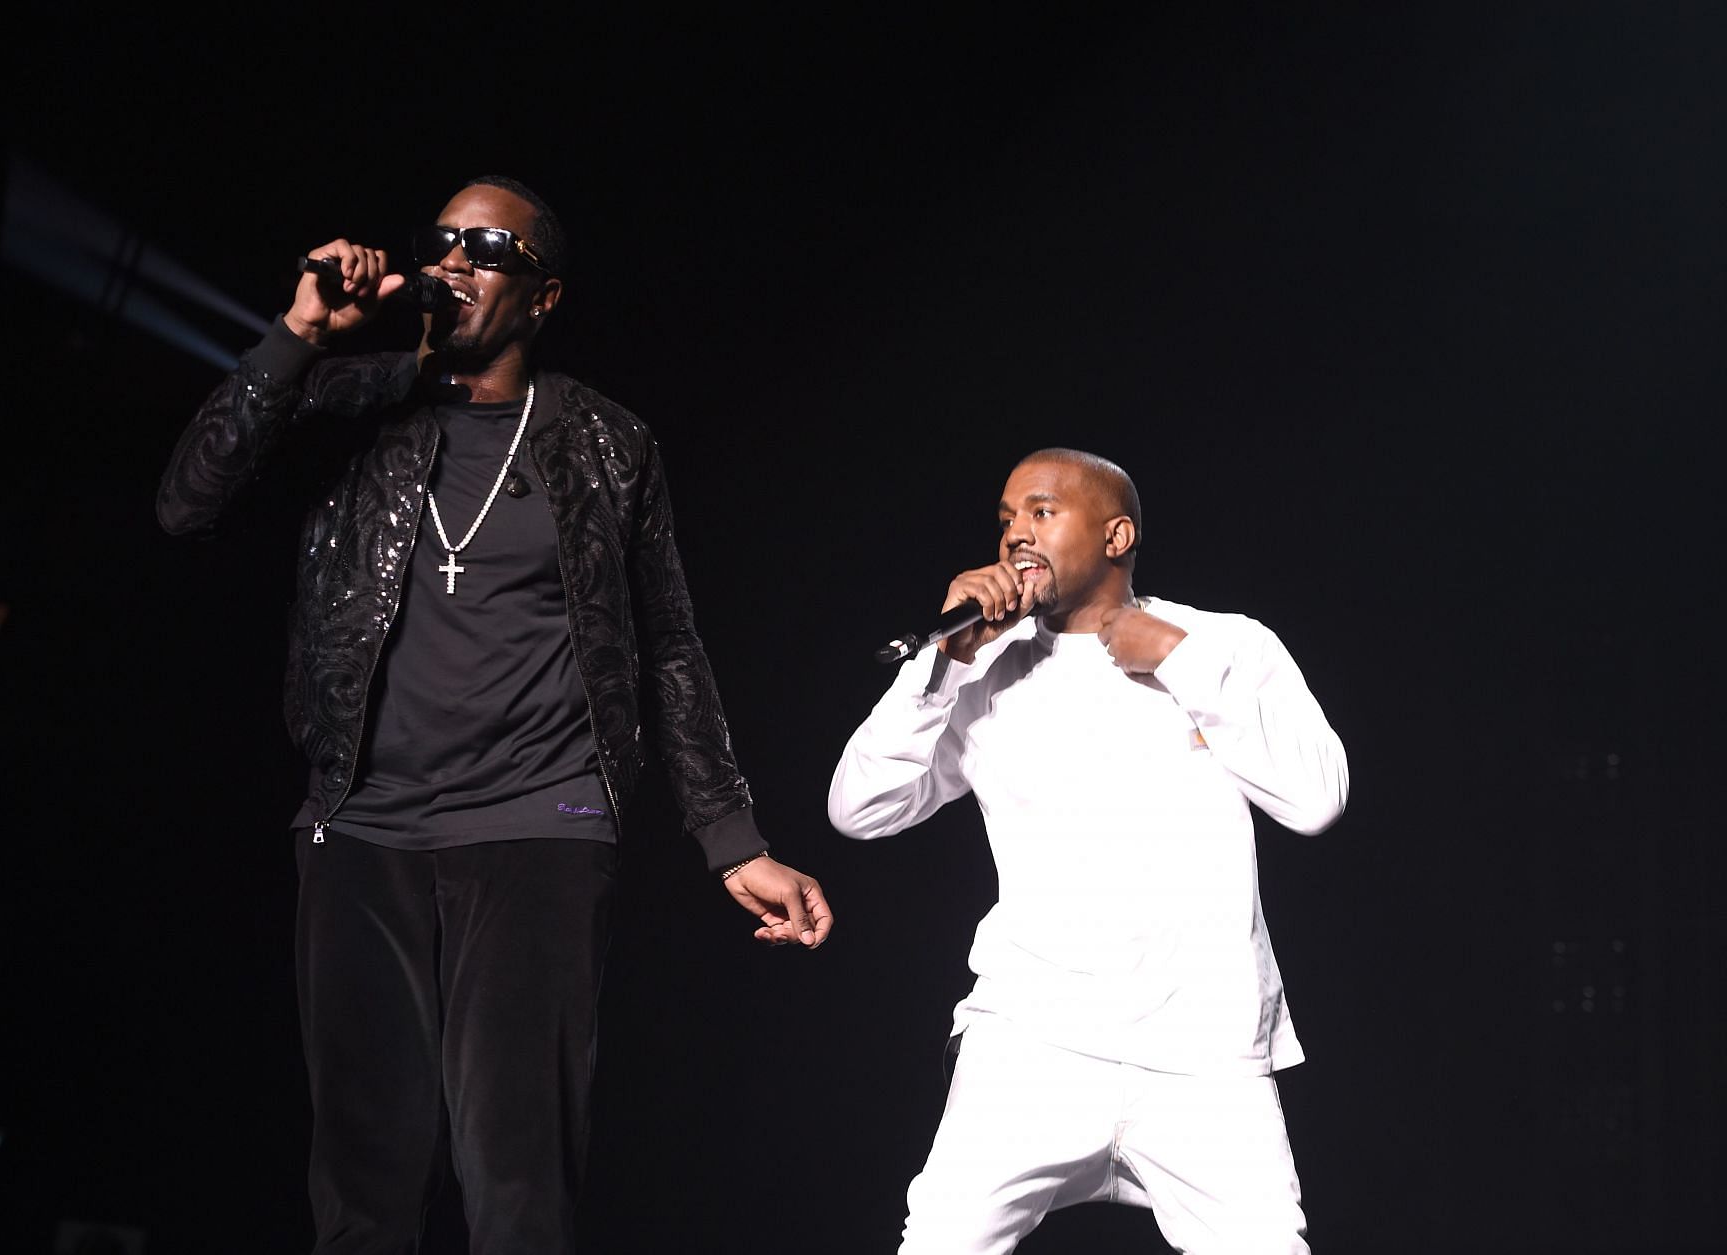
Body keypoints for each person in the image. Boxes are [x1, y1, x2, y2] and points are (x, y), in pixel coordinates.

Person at [156, 175, 832, 1255]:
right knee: (363, 1185)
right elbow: (188, 500)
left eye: (490, 249)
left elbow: (667, 643)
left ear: (545, 294)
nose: (457, 262)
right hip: (362, 827)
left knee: (516, 1180)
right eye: (443, 243)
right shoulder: (348, 404)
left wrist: (730, 837)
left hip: (537, 826)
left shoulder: (611, 444)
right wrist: (297, 333)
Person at [828, 449, 1347, 1254]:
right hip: (1032, 1043)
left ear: (1117, 534)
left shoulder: (1224, 643)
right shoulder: (980, 668)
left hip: (1203, 1055)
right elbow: (858, 808)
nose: (1015, 537)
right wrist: (943, 663)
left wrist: (1176, 657)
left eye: (1041, 512)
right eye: (1005, 519)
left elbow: (1316, 799)